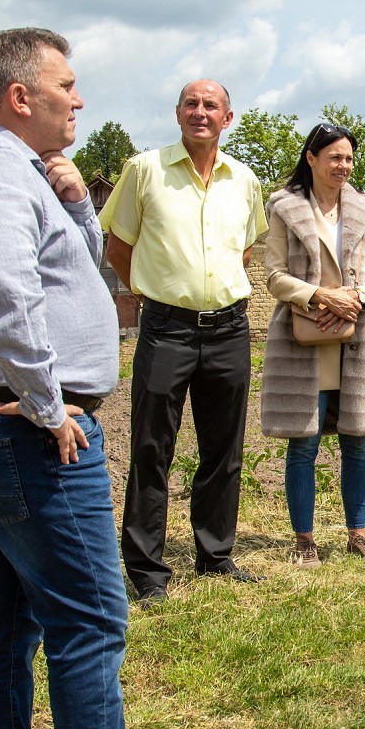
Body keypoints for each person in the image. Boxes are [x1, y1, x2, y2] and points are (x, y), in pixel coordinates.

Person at [0, 27, 210, 729]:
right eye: (66, 86)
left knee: (8, 617)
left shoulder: (0, 167)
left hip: (0, 420)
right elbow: (5, 291)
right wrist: (49, 406)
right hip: (28, 430)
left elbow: (72, 272)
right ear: (21, 96)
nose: (78, 100)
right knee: (89, 617)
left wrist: (78, 203)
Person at [100, 79, 268, 598]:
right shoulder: (144, 170)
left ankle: (215, 557)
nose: (200, 112)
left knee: (224, 449)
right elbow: (117, 247)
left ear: (227, 117)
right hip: (166, 331)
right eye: (191, 104)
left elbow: (244, 250)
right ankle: (147, 570)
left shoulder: (244, 179)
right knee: (152, 448)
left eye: (210, 105)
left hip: (229, 331)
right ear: (177, 114)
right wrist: (155, 294)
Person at [259, 124, 365, 567]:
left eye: (349, 159)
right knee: (303, 444)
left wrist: (357, 300)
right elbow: (274, 274)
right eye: (335, 157)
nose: (343, 166)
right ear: (312, 158)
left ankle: (358, 535)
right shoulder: (283, 207)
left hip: (358, 333)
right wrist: (321, 296)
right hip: (305, 335)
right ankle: (304, 541)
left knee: (358, 442)